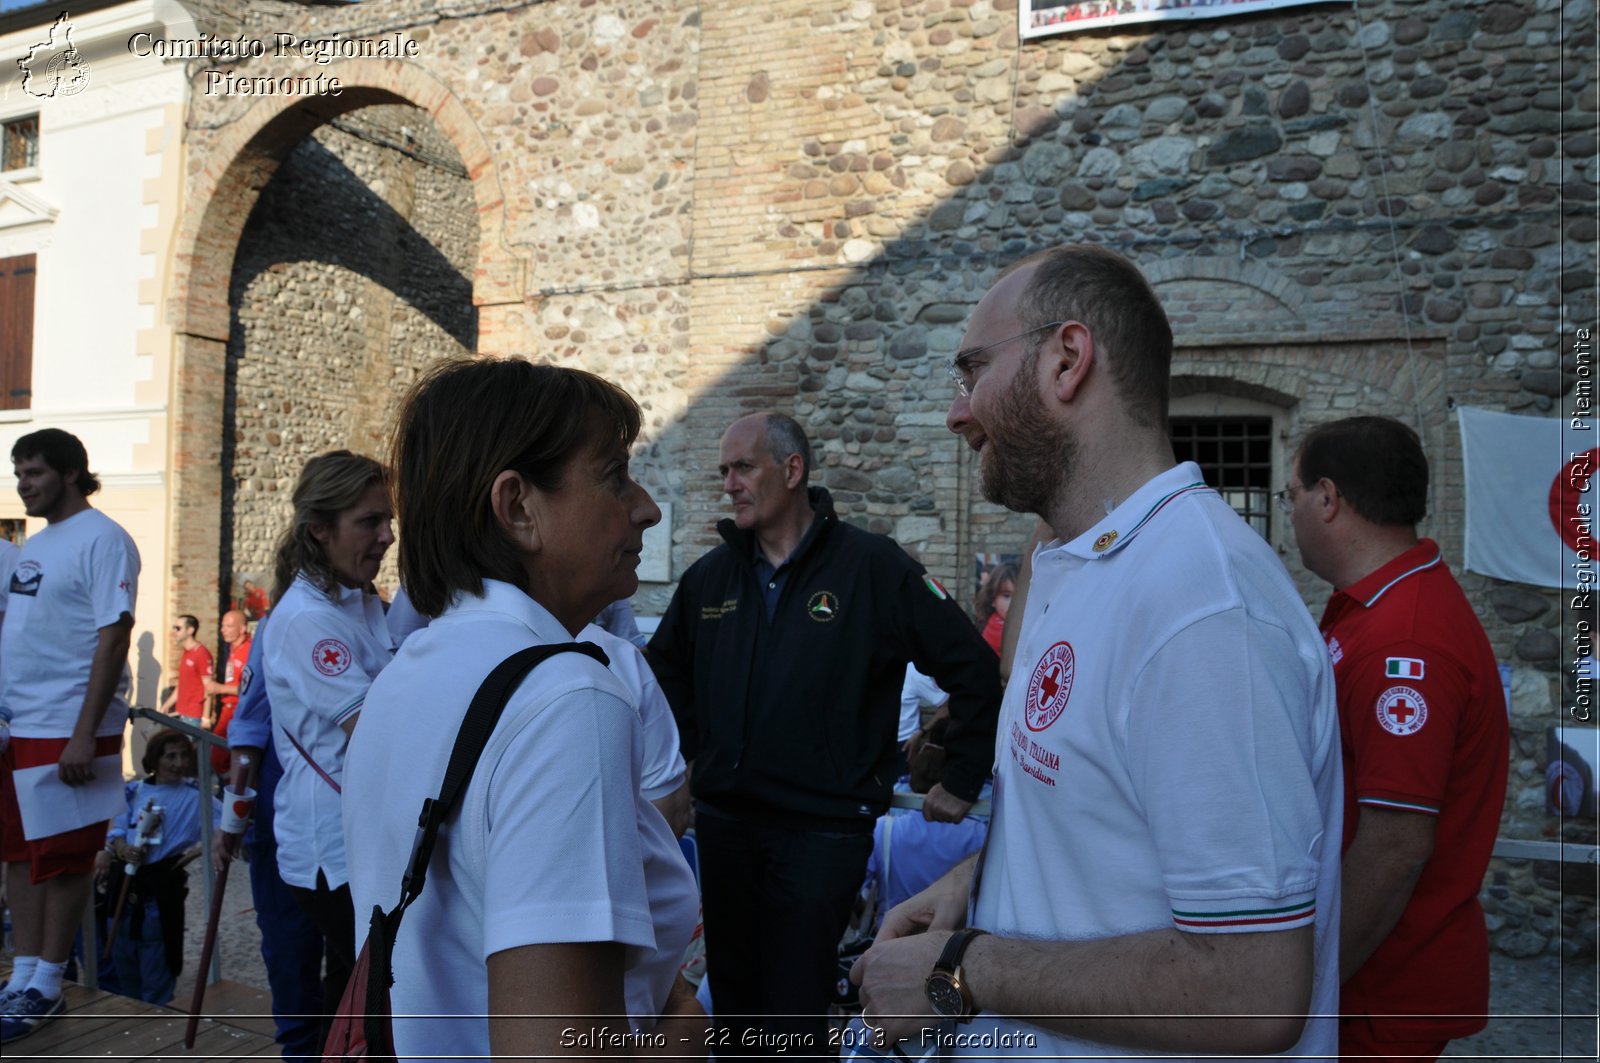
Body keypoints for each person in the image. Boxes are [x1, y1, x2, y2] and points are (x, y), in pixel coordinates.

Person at [852, 244, 1341, 1061]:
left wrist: (962, 970)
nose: (957, 411)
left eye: (971, 371)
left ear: (1067, 360)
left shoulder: (1201, 608)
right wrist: (975, 892)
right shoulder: (1081, 564)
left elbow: (1252, 988)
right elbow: (1102, 833)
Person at [345, 357, 703, 1058]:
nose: (646, 507)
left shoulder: (405, 675)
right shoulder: (567, 696)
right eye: (613, 474)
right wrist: (686, 1038)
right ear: (517, 507)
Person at [646, 411, 1002, 1054]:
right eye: (724, 470)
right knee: (733, 1006)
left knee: (793, 1009)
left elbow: (973, 665)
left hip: (824, 829)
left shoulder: (871, 567)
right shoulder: (711, 577)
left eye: (743, 467)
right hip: (726, 826)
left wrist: (964, 771)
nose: (729, 483)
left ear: (792, 470)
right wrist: (694, 753)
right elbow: (662, 669)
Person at [1285, 415, 1509, 1062]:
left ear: (1328, 498)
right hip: (1367, 984)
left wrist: (1306, 989)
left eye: (1291, 495)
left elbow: (1396, 844)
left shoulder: (1403, 639)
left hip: (1376, 993)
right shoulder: (1380, 607)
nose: (1291, 511)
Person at [0, 428, 140, 1043]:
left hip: (69, 725)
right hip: (21, 722)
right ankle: (22, 975)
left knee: (65, 859)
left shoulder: (106, 539)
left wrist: (85, 733)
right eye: (18, 473)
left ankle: (50, 982)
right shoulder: (37, 541)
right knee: (17, 856)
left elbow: (114, 637)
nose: (22, 484)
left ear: (70, 472)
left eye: (32, 473)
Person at [260, 449, 395, 1043]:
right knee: (381, 1002)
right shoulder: (307, 620)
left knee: (359, 1008)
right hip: (335, 849)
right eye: (369, 521)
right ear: (320, 530)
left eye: (388, 519)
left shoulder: (360, 600)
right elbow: (379, 733)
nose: (388, 536)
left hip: (363, 836)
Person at [214, 614, 328, 1060]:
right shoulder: (280, 623)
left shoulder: (379, 617)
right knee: (289, 946)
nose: (384, 539)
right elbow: (250, 723)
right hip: (283, 809)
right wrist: (233, 819)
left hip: (351, 816)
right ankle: (300, 1051)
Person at [95, 730, 220, 1005]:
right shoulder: (135, 790)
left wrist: (197, 852)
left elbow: (229, 827)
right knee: (123, 965)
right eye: (170, 756)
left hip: (160, 894)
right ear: (155, 758)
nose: (179, 762)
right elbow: (114, 830)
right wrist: (121, 849)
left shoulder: (196, 796)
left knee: (157, 971)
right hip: (124, 891)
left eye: (184, 755)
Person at [202, 610, 251, 778]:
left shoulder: (249, 651)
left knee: (219, 757)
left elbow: (251, 688)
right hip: (227, 708)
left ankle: (232, 791)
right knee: (219, 756)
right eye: (222, 625)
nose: (223, 629)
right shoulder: (233, 647)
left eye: (229, 626)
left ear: (243, 628)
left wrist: (219, 688)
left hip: (238, 709)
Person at [158, 614, 214, 726]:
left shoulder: (201, 654)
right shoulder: (187, 652)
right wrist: (166, 706)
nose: (174, 631)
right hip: (181, 713)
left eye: (178, 628)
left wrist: (206, 718)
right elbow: (182, 685)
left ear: (190, 630)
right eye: (174, 628)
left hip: (194, 716)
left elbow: (209, 688)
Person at [972, 561, 1018, 656]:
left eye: (1019, 596)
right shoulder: (997, 628)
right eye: (1006, 596)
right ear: (993, 599)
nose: (1014, 603)